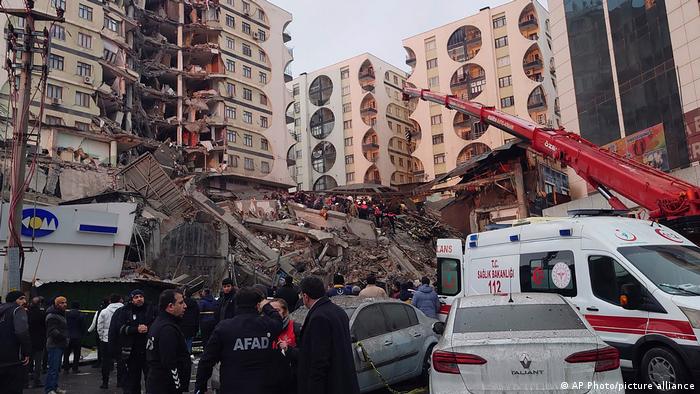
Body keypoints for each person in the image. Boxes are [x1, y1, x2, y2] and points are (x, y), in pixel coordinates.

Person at [194, 287, 283, 394]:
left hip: (232, 386)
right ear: (257, 305)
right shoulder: (266, 324)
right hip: (263, 387)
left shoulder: (224, 327)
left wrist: (200, 387)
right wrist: (267, 306)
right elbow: (278, 321)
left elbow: (207, 360)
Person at [294, 276, 359, 394]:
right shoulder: (338, 311)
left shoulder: (318, 317)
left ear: (305, 296)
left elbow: (319, 360)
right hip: (342, 381)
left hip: (329, 385)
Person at [110, 289, 156, 394]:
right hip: (131, 353)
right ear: (132, 299)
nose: (139, 299)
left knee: (151, 380)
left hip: (148, 352)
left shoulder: (151, 309)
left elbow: (157, 324)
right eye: (136, 297)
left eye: (141, 296)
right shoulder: (124, 311)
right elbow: (119, 328)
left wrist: (148, 328)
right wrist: (135, 329)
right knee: (133, 381)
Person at [145, 289, 191, 394]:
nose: (185, 306)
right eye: (181, 303)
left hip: (157, 383)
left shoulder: (159, 323)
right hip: (165, 387)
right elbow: (170, 364)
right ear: (170, 306)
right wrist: (178, 387)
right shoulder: (167, 329)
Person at [0, 291, 31, 394]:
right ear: (14, 300)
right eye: (21, 298)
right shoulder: (18, 310)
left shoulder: (2, 309)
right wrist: (27, 352)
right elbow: (22, 332)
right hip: (14, 358)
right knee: (14, 388)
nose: (24, 301)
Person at [269, 298, 300, 394]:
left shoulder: (296, 328)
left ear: (285, 311)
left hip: (291, 381)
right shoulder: (264, 328)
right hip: (270, 381)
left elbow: (305, 353)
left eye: (277, 310)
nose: (274, 314)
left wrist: (288, 349)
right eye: (271, 311)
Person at [97, 294, 125, 389]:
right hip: (120, 340)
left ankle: (105, 383)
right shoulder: (125, 311)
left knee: (106, 362)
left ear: (110, 301)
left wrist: (102, 337)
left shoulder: (104, 311)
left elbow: (99, 325)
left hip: (106, 339)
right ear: (121, 300)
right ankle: (120, 382)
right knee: (121, 361)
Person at [45, 296, 69, 394]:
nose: (65, 304)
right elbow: (52, 331)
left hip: (60, 344)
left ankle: (54, 387)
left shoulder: (61, 314)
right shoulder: (52, 316)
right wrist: (64, 337)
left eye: (65, 302)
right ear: (57, 304)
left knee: (57, 368)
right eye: (62, 303)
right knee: (53, 368)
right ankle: (49, 389)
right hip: (54, 345)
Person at [27, 296, 47, 388]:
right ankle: (36, 381)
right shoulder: (42, 313)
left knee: (28, 361)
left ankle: (26, 381)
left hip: (29, 340)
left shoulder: (27, 312)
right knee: (38, 362)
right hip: (39, 340)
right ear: (40, 304)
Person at [63, 301, 84, 373]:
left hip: (68, 336)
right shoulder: (81, 315)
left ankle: (66, 368)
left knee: (66, 353)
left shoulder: (66, 314)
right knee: (77, 353)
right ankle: (75, 368)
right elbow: (82, 326)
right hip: (77, 336)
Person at [88, 298, 109, 370]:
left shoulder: (99, 311)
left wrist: (89, 331)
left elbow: (95, 323)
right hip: (109, 334)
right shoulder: (111, 311)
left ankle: (99, 362)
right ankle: (109, 364)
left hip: (100, 333)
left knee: (100, 349)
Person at [179, 288, 199, 353]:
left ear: (184, 294)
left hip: (182, 325)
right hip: (192, 326)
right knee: (189, 343)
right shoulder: (195, 303)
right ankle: (188, 356)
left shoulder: (182, 303)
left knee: (182, 343)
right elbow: (197, 315)